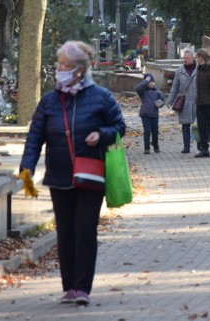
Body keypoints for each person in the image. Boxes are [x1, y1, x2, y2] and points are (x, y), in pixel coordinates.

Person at [19, 40, 126, 306]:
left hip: (90, 176)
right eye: (59, 64)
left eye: (65, 65)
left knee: (85, 230)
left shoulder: (101, 97)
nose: (60, 69)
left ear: (79, 69)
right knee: (65, 232)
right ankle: (69, 286)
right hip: (59, 176)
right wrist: (27, 169)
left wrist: (101, 135)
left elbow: (119, 126)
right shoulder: (49, 101)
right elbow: (35, 136)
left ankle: (83, 288)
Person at [166, 49, 198, 154]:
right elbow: (175, 87)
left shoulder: (199, 69)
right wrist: (170, 100)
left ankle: (200, 146)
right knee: (185, 125)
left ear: (193, 58)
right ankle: (186, 147)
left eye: (187, 58)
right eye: (184, 58)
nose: (185, 60)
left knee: (198, 125)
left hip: (197, 101)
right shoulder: (180, 70)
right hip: (184, 101)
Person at [136, 73, 165, 154]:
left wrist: (161, 104)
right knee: (147, 131)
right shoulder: (143, 91)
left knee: (155, 131)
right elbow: (137, 88)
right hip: (144, 114)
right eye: (149, 82)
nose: (151, 83)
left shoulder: (157, 91)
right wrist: (146, 80)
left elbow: (162, 100)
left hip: (154, 114)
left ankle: (156, 146)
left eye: (152, 81)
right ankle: (147, 148)